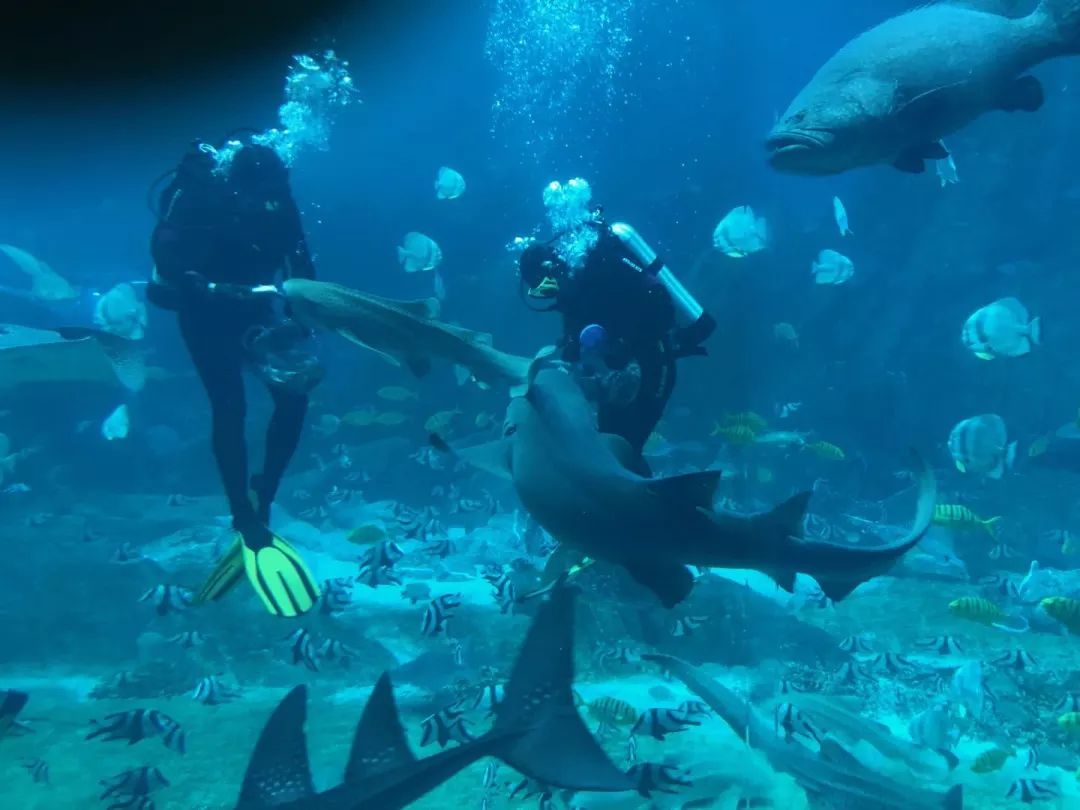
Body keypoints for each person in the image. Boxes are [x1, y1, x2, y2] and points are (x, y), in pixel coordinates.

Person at [148, 139, 321, 617]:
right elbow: (167, 260)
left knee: (294, 395)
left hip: (255, 311)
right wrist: (207, 287)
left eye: (275, 189)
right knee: (230, 406)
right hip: (203, 312)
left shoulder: (279, 201)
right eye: (261, 190)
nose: (268, 199)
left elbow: (302, 264)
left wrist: (300, 314)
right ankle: (242, 516)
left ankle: (264, 494)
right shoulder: (200, 197)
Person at [518, 217, 715, 453]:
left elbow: (658, 300)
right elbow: (576, 340)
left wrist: (625, 342)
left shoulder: (604, 264)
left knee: (628, 445)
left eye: (544, 287)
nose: (549, 295)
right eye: (539, 293)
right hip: (620, 374)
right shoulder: (572, 292)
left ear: (552, 268)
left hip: (654, 358)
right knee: (608, 442)